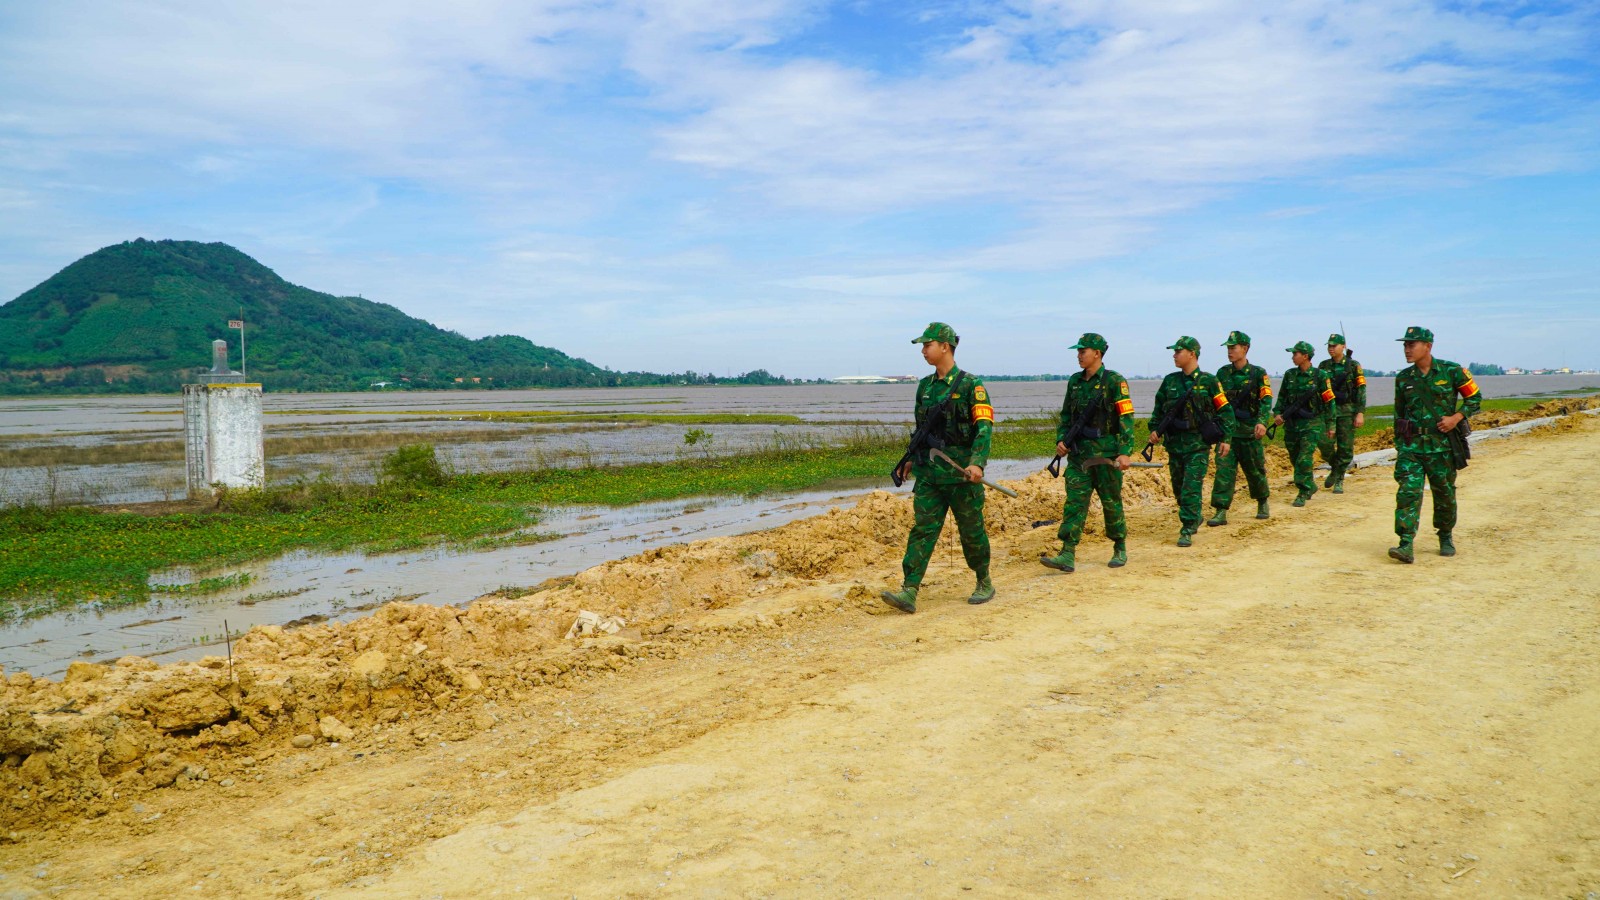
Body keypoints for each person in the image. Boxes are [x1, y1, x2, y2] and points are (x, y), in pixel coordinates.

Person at [881, 322, 996, 612]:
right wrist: (910, 458)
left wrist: (977, 464)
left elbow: (984, 428)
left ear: (945, 346)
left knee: (972, 531)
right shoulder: (925, 387)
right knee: (922, 531)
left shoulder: (972, 385)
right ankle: (909, 590)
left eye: (927, 345)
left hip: (961, 476)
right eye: (922, 346)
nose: (923, 351)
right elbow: (921, 429)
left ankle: (984, 580)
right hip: (930, 475)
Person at [1040, 333, 1135, 573]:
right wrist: (1061, 439)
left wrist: (1124, 451)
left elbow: (1126, 417)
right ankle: (1067, 553)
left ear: (1097, 353)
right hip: (1080, 456)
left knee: (1111, 502)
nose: (1079, 355)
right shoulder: (1074, 381)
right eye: (1078, 351)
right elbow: (1066, 416)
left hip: (1106, 454)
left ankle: (1119, 546)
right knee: (1074, 503)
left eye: (1083, 351)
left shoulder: (1115, 381)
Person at [1389, 325, 1481, 563]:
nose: (1406, 349)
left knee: (1444, 493)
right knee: (1408, 493)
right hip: (1412, 447)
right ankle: (1406, 543)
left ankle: (1446, 534)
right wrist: (1401, 445)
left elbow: (1475, 399)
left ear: (1427, 346)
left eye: (1412, 344)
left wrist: (1456, 418)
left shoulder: (1452, 371)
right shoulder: (1403, 378)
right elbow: (1399, 415)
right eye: (1405, 345)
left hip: (1442, 447)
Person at [1147, 336, 1230, 547]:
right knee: (1178, 489)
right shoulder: (1170, 381)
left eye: (1178, 351)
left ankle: (1187, 528)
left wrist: (1226, 438)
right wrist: (1154, 431)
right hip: (1174, 446)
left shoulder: (1209, 381)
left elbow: (1225, 411)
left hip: (1197, 445)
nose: (1174, 355)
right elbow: (1158, 411)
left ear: (1191, 354)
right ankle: (1194, 516)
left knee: (1190, 488)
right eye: (1174, 352)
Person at [1207, 330, 1272, 526]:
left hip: (1250, 431)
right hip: (1227, 434)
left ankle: (1262, 502)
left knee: (1254, 470)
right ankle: (1220, 510)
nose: (1229, 351)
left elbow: (1266, 399)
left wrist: (1262, 421)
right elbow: (1215, 402)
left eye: (1233, 347)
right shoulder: (1222, 373)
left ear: (1245, 348)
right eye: (1228, 348)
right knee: (1224, 472)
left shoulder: (1258, 373)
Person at [1272, 341, 1335, 507]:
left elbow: (1329, 402)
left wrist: (1331, 425)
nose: (1293, 357)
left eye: (1295, 354)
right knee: (1294, 457)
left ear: (1305, 356)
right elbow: (1282, 397)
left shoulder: (1320, 376)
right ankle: (1310, 484)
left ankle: (1303, 490)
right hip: (1292, 424)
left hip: (1312, 423)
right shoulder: (1290, 375)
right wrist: (1277, 413)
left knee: (1304, 459)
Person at [1316, 333, 1367, 494]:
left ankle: (1339, 478)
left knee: (1345, 449)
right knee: (1324, 444)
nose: (1331, 348)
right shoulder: (1323, 366)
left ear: (1343, 346)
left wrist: (1360, 413)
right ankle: (1336, 468)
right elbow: (1318, 390)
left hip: (1347, 411)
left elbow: (1361, 390)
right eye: (1329, 346)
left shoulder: (1353, 366)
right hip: (1328, 413)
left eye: (1334, 345)